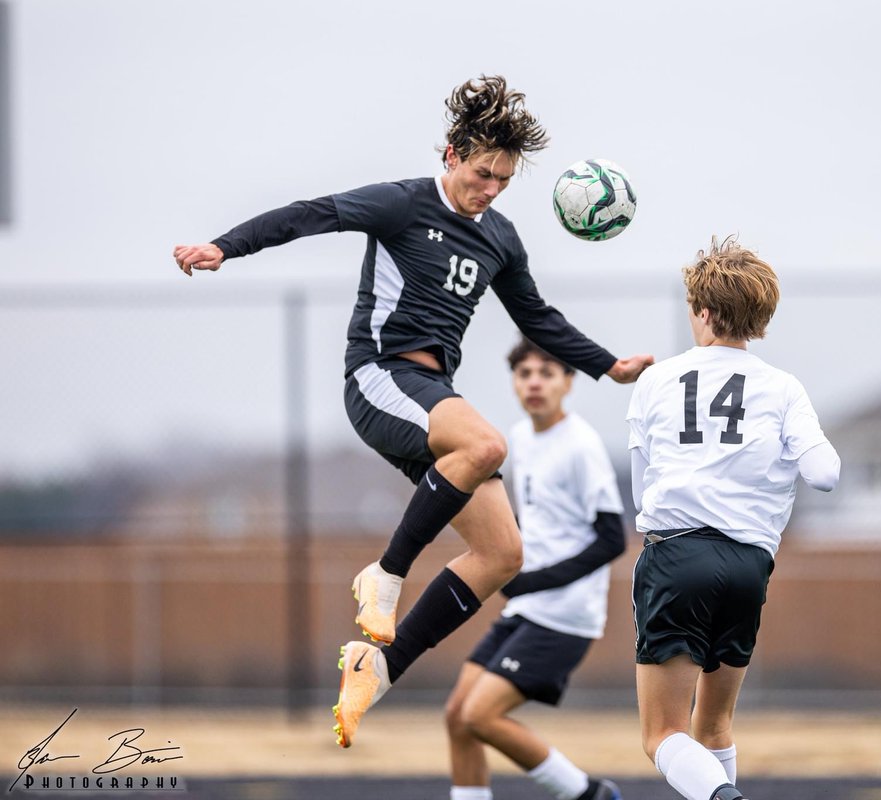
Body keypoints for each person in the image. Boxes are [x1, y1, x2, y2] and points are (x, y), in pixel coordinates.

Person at [172, 75, 653, 748]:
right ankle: (386, 573)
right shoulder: (402, 203)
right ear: (452, 155)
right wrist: (225, 246)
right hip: (380, 376)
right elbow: (309, 214)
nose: (491, 189)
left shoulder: (501, 237)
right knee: (487, 444)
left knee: (502, 553)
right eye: (483, 174)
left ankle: (379, 668)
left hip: (431, 399)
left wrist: (608, 365)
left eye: (504, 180)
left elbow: (536, 317)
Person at [624, 237, 840, 800]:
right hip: (748, 566)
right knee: (714, 726)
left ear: (702, 310)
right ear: (760, 317)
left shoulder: (655, 381)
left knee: (662, 735)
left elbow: (642, 494)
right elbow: (825, 474)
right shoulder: (784, 388)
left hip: (676, 558)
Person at [443, 338, 626, 800]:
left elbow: (612, 539)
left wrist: (530, 582)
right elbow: (533, 522)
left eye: (547, 373)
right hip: (527, 608)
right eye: (525, 374)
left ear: (568, 382)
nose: (535, 383)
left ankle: (586, 793)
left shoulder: (581, 445)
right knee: (458, 716)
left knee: (479, 715)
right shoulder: (520, 438)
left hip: (564, 616)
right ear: (514, 383)